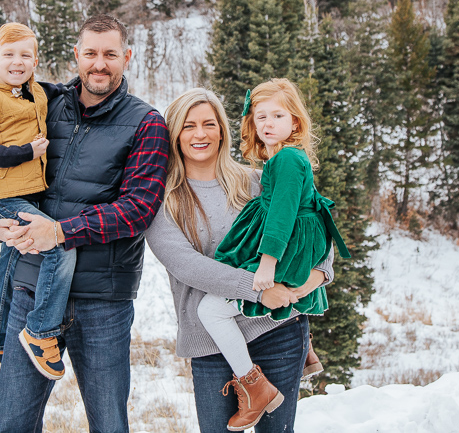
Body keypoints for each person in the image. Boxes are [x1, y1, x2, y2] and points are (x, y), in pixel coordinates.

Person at [0, 14, 170, 433]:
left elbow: (139, 208)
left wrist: (60, 232)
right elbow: (2, 181)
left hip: (101, 300)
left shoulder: (147, 123)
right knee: (12, 423)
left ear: (127, 57)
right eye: (90, 53)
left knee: (109, 424)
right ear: (76, 56)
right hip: (31, 291)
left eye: (110, 54)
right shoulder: (44, 106)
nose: (99, 64)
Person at [145, 87, 338, 433]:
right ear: (174, 134)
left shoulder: (255, 180)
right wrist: (258, 289)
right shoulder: (164, 202)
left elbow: (310, 223)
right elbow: (187, 266)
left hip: (276, 328)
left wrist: (318, 276)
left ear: (223, 129)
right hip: (210, 339)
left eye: (209, 124)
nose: (200, 134)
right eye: (189, 126)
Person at [199, 79, 349, 430]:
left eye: (278, 115)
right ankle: (299, 352)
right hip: (291, 244)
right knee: (229, 297)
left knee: (210, 309)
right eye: (260, 116)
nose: (267, 123)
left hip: (286, 248)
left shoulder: (287, 160)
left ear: (295, 121)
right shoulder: (282, 159)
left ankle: (254, 385)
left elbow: (282, 214)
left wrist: (267, 262)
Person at [0, 22, 73, 379]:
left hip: (29, 194)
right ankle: (40, 331)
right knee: (57, 246)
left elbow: (65, 89)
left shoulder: (36, 90)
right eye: (8, 55)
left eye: (25, 55)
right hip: (5, 196)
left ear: (35, 60)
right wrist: (26, 151)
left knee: (10, 263)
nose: (17, 61)